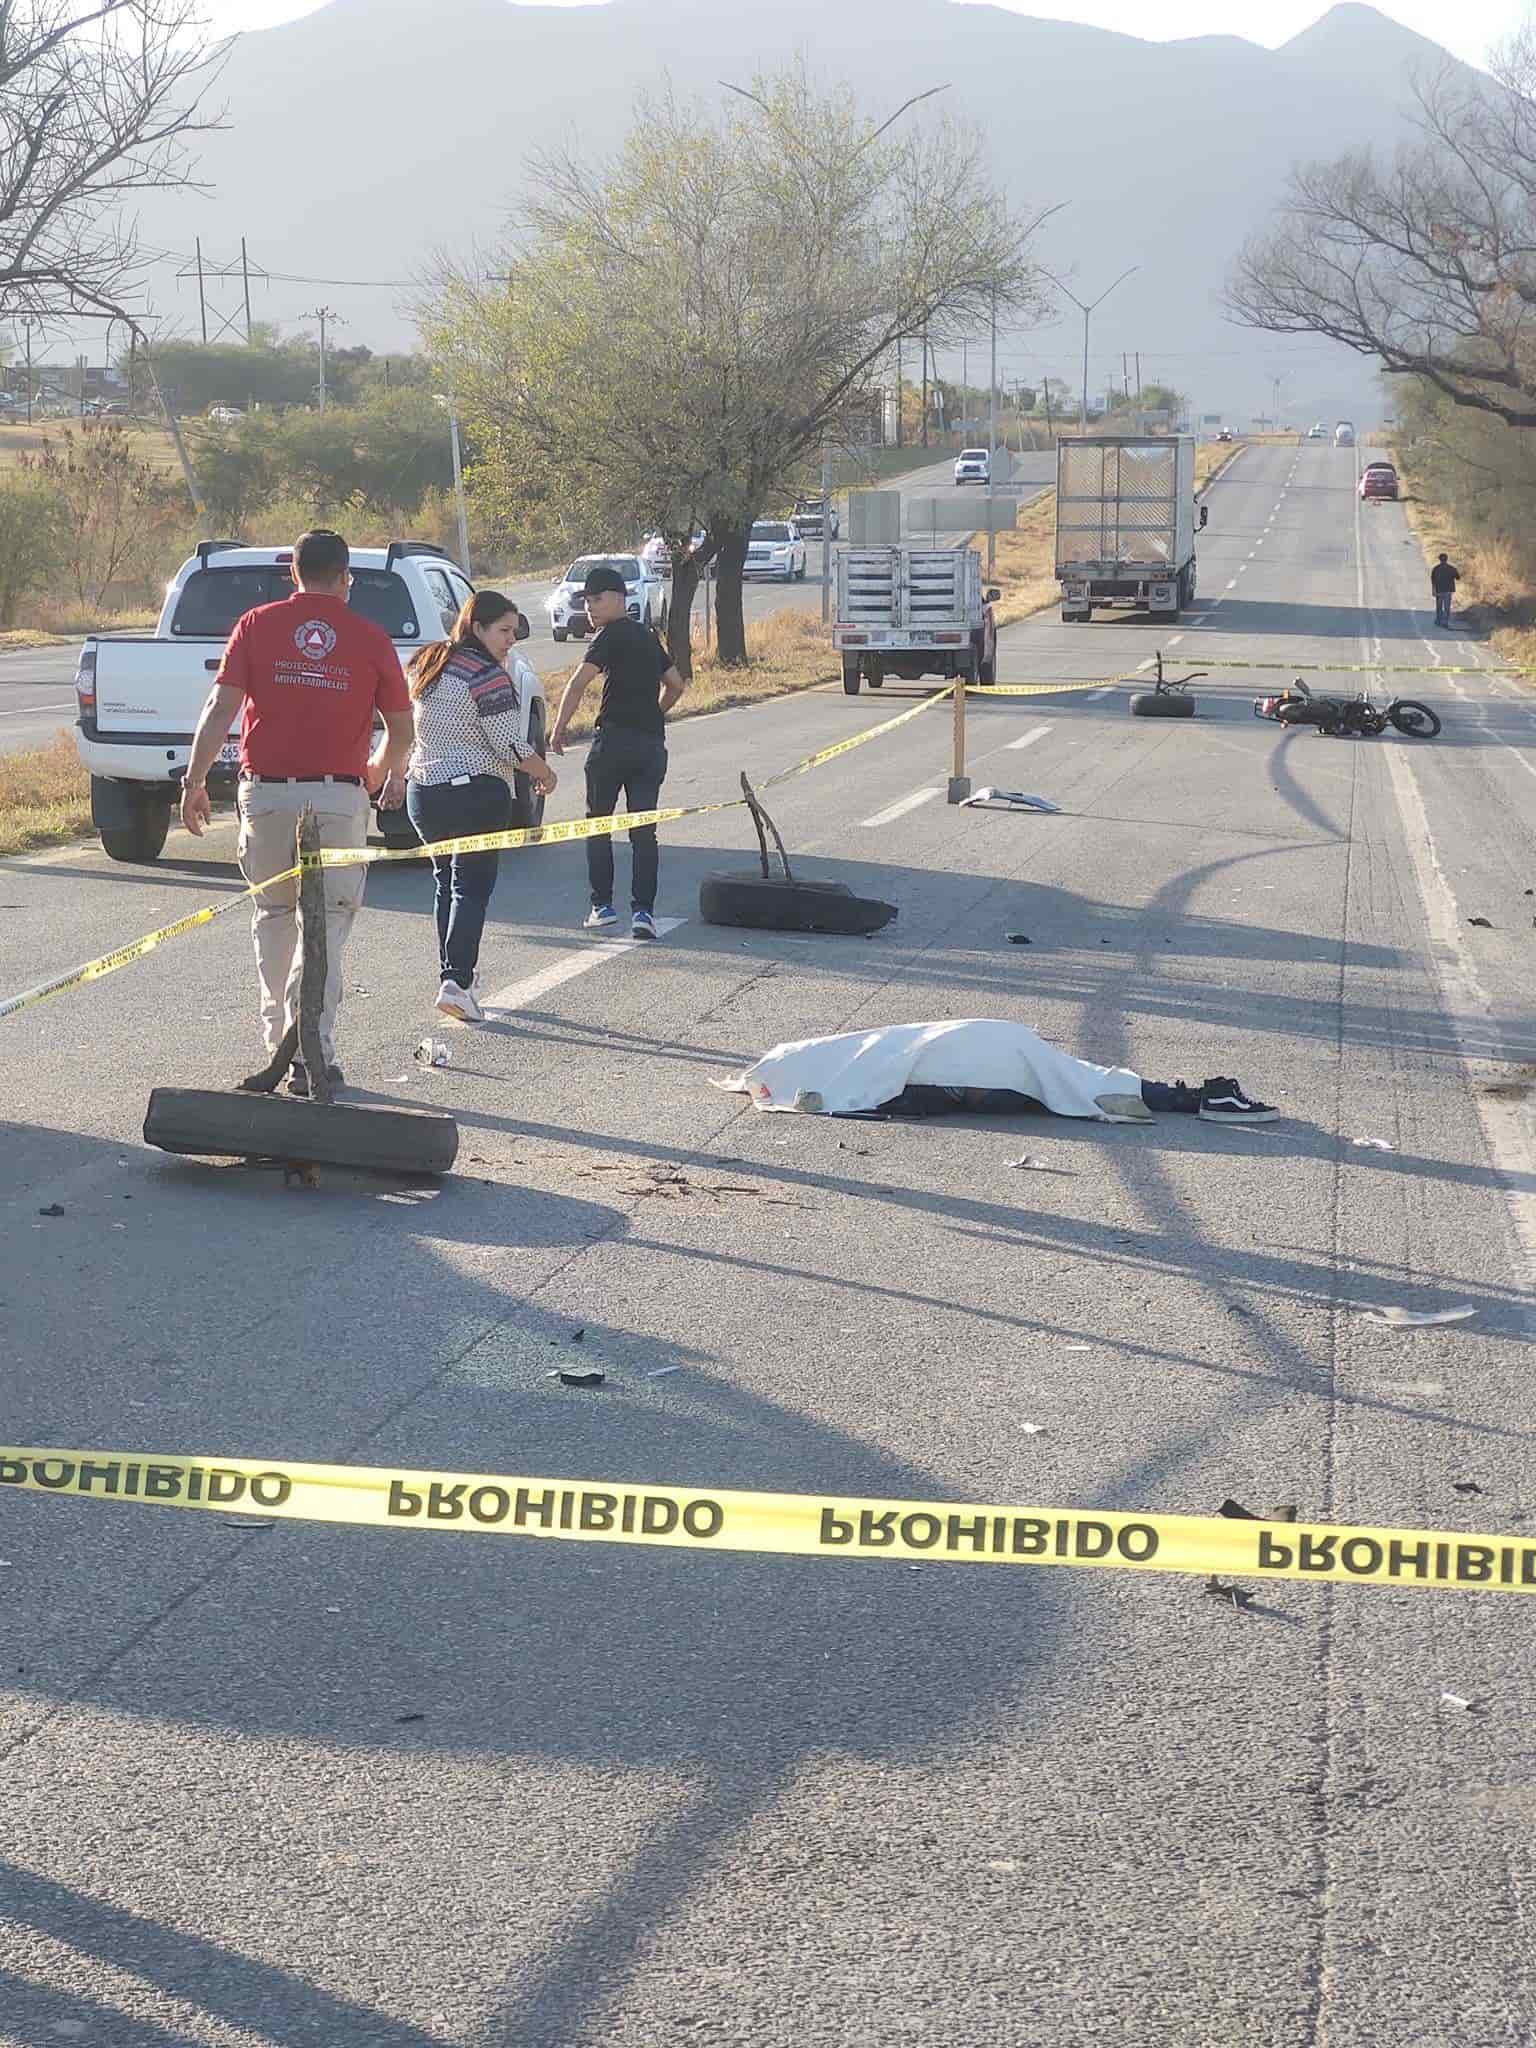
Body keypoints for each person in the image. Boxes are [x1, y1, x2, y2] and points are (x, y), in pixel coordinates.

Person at [180, 528, 412, 1096]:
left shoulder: (256, 625)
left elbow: (220, 708)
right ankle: (314, 1051)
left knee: (275, 915)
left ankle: (280, 1042)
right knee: (328, 923)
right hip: (339, 796)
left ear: (294, 574)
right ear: (345, 579)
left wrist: (193, 780)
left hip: (269, 794)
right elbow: (402, 727)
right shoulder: (369, 636)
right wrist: (384, 769)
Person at [404, 591, 558, 1022]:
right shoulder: (486, 675)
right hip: (475, 792)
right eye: (504, 631)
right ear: (477, 628)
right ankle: (457, 981)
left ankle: (452, 978)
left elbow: (410, 728)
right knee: (470, 888)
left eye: (514, 632)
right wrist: (545, 773)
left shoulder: (427, 663)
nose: (511, 640)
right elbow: (510, 745)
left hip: (424, 792)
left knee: (445, 883)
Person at [548, 563, 686, 941]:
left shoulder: (608, 636)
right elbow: (675, 684)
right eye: (587, 601)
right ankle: (644, 912)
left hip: (612, 743)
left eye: (597, 599)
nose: (590, 608)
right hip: (649, 746)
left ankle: (602, 906)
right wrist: (654, 713)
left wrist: (558, 728)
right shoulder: (646, 636)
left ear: (619, 598)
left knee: (599, 825)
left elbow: (578, 684)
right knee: (643, 832)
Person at [1431, 552, 1460, 628]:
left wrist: (1433, 590)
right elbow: (1458, 577)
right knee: (1447, 607)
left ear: (1439, 560)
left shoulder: (1436, 569)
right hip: (1448, 591)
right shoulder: (1452, 568)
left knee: (1439, 606)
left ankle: (1438, 620)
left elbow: (1433, 581)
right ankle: (1445, 622)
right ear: (1447, 559)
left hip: (1439, 590)